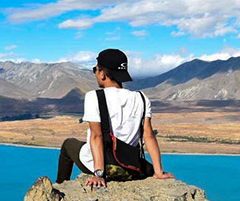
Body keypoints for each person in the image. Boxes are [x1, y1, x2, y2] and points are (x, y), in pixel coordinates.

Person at [56, 48, 174, 187]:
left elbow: (96, 136)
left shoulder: (94, 96)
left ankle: (60, 187)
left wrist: (99, 174)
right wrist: (158, 172)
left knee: (68, 144)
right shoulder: (142, 98)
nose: (95, 73)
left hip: (105, 168)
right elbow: (149, 136)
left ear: (103, 74)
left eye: (96, 69)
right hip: (131, 167)